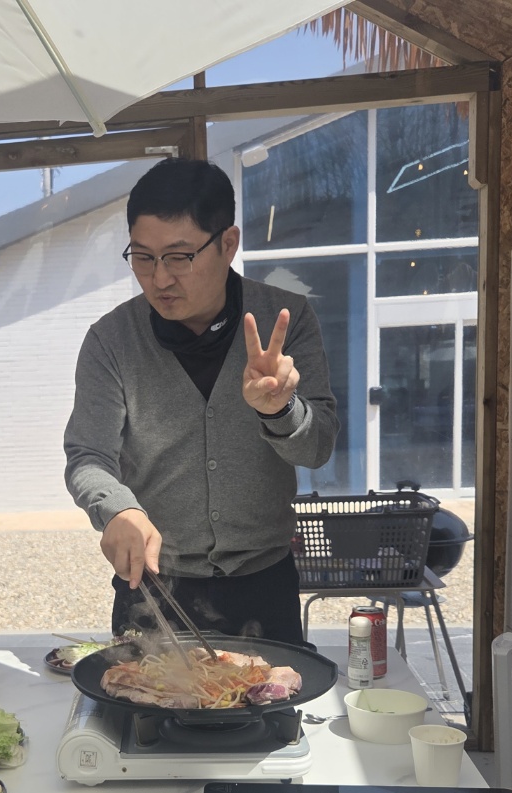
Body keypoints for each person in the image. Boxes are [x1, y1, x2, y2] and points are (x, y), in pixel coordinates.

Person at [63, 158, 338, 645]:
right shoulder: (112, 340)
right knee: (143, 695)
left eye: (178, 257)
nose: (159, 279)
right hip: (154, 588)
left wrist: (279, 410)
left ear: (227, 244)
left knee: (272, 696)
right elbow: (88, 455)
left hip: (264, 585)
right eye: (142, 257)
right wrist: (117, 510)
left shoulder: (285, 320)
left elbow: (316, 449)